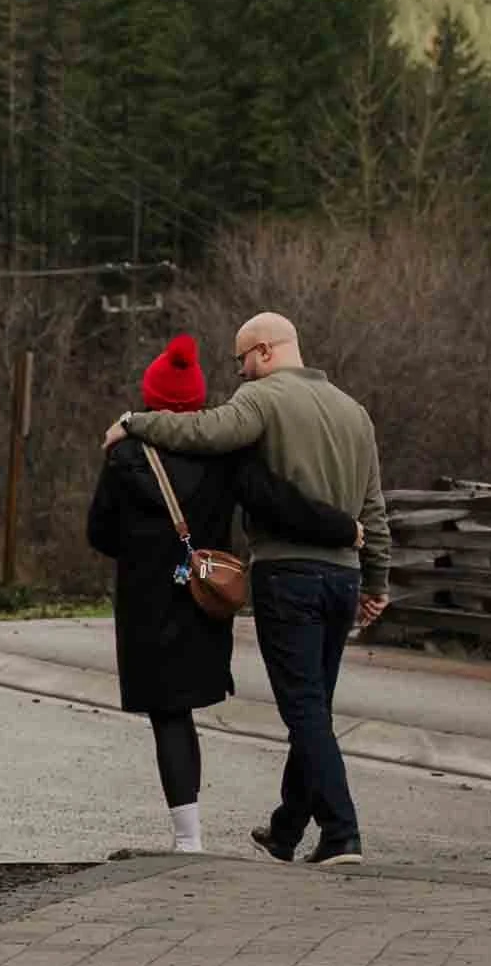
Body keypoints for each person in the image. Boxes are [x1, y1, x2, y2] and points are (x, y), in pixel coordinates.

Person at [104, 311, 390, 868]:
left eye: (241, 363)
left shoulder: (264, 401)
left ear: (262, 352)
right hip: (343, 577)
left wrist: (135, 422)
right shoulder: (355, 413)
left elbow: (205, 430)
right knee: (316, 710)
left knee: (306, 711)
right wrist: (376, 580)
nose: (240, 375)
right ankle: (286, 829)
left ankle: (342, 833)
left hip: (290, 577)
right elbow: (373, 509)